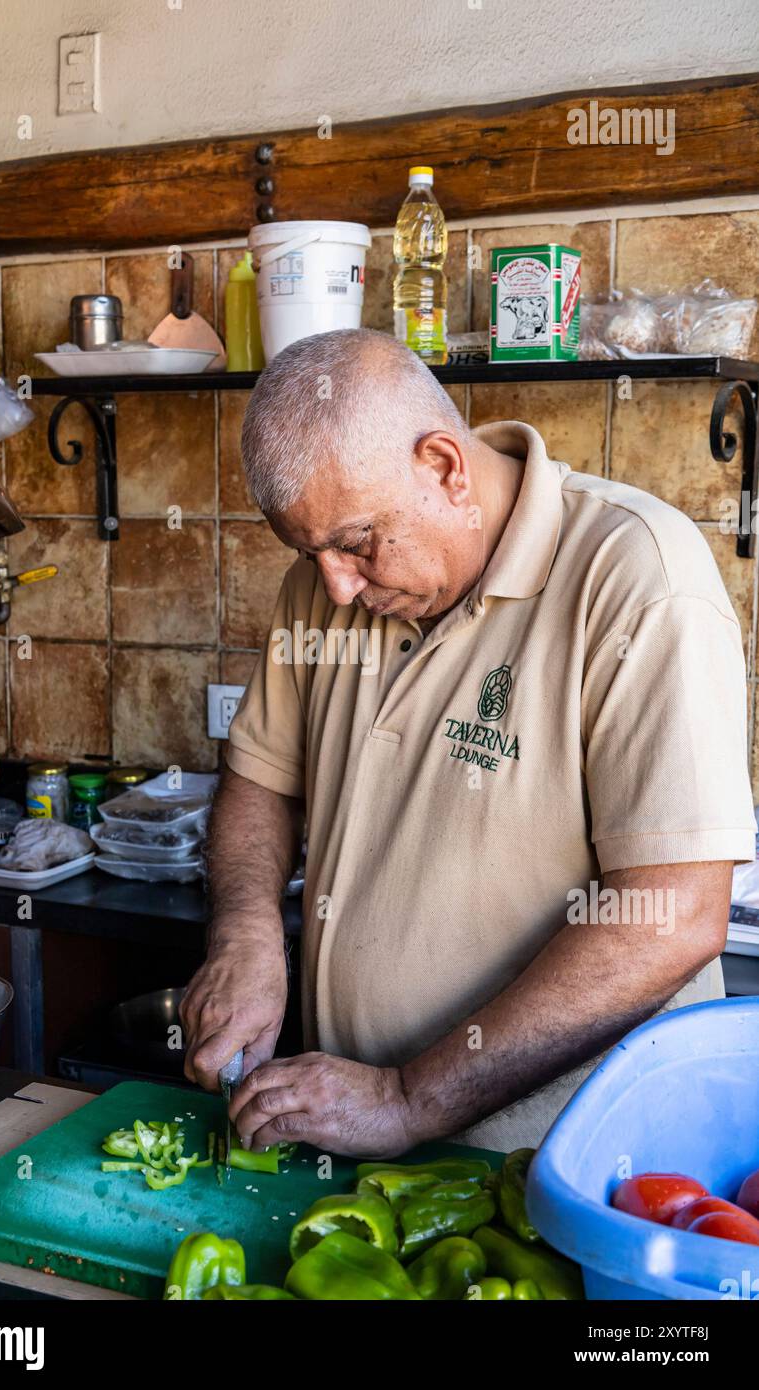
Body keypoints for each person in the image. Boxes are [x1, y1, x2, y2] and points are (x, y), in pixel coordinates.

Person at [181, 328, 755, 1157]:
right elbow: (261, 779)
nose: (335, 583)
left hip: (566, 1166)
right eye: (311, 553)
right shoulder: (324, 590)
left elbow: (670, 917)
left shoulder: (639, 577)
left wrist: (410, 1099)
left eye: (354, 541)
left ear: (447, 468)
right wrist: (245, 935)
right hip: (355, 1139)